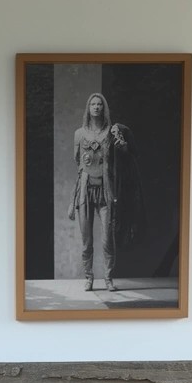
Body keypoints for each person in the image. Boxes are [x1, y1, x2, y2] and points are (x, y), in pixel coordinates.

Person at [68, 91, 143, 292]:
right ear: (88, 108)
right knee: (86, 240)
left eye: (99, 104)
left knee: (108, 238)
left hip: (106, 190)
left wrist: (123, 147)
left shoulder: (112, 132)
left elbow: (125, 155)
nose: (96, 107)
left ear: (104, 108)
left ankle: (108, 278)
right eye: (92, 104)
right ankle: (89, 278)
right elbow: (77, 160)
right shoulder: (79, 134)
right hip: (85, 190)